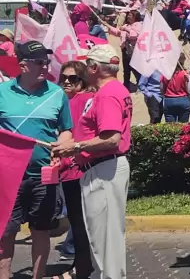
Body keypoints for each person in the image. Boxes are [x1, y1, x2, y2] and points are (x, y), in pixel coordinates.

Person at [52, 44, 132, 279]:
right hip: (104, 168)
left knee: (104, 239)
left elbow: (112, 138)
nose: (85, 69)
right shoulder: (115, 90)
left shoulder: (107, 95)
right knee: (105, 238)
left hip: (103, 169)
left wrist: (75, 146)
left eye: (87, 65)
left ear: (95, 68)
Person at [0, 41, 74, 279]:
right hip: (7, 178)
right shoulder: (2, 92)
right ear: (23, 66)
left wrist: (61, 147)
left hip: (44, 176)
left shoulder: (57, 94)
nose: (45, 67)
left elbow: (66, 130)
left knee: (41, 231)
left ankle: (38, 276)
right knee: (5, 233)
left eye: (47, 62)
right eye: (39, 62)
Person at [56, 61, 95, 279]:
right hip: (68, 170)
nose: (67, 82)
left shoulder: (84, 100)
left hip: (78, 170)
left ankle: (82, 269)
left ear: (83, 80)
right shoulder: (66, 100)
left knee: (81, 224)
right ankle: (81, 266)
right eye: (63, 78)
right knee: (78, 223)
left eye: (73, 78)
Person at [101, 10, 142, 90]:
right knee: (126, 69)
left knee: (135, 69)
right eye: (128, 15)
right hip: (125, 49)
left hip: (134, 51)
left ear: (135, 16)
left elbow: (134, 35)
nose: (128, 16)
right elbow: (118, 32)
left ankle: (141, 85)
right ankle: (126, 86)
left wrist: (125, 29)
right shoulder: (126, 25)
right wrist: (108, 25)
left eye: (130, 15)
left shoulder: (138, 25)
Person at [163, 55, 190, 123]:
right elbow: (188, 89)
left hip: (169, 99)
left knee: (170, 126)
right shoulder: (184, 74)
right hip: (183, 99)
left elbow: (161, 88)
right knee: (183, 125)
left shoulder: (166, 74)